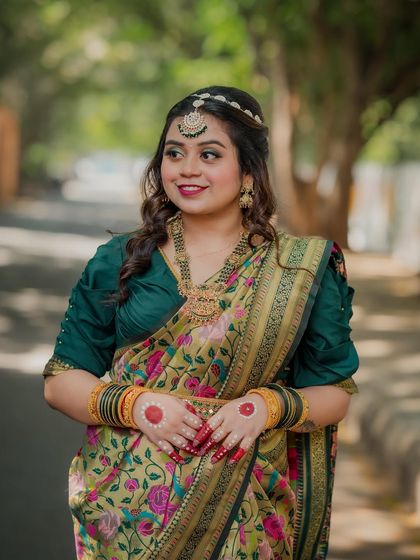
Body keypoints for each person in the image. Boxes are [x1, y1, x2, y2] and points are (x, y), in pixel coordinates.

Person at [43, 85, 359, 560]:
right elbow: (60, 380)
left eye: (209, 154)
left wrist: (264, 408)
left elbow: (334, 394)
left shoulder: (298, 270)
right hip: (126, 516)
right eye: (175, 153)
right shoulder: (122, 260)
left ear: (248, 171)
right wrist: (138, 405)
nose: (188, 169)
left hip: (244, 513)